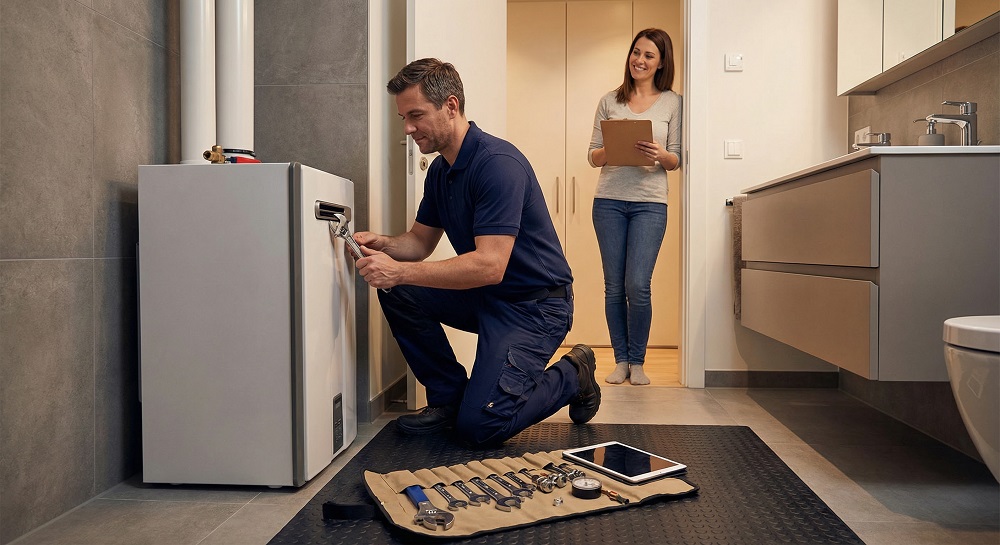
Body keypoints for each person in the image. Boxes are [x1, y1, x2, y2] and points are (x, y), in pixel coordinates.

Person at [352, 58, 600, 447]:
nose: (408, 128)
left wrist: (398, 271)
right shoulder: (440, 172)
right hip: (489, 297)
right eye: (403, 117)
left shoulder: (497, 165)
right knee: (398, 291)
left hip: (535, 307)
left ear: (451, 106)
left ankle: (574, 373)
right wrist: (386, 245)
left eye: (416, 115)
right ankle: (449, 400)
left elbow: (489, 265)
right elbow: (418, 243)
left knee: (482, 428)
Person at [587, 28, 681, 386]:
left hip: (650, 204)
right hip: (609, 200)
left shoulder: (674, 102)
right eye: (636, 52)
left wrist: (660, 154)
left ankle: (638, 361)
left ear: (660, 64)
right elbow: (593, 156)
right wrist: (613, 147)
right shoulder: (609, 100)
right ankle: (621, 360)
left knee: (638, 284)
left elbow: (677, 159)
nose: (639, 60)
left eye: (649, 56)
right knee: (614, 286)